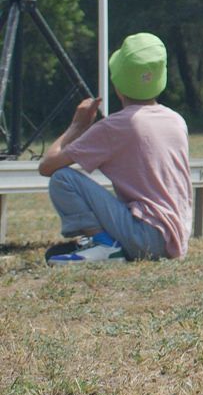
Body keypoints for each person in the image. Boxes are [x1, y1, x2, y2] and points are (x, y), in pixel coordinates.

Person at [39, 33, 192, 264]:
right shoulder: (176, 120)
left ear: (117, 84)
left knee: (63, 178)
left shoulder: (116, 126)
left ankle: (105, 245)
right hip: (176, 240)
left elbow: (47, 166)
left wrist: (76, 126)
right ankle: (108, 245)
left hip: (145, 237)